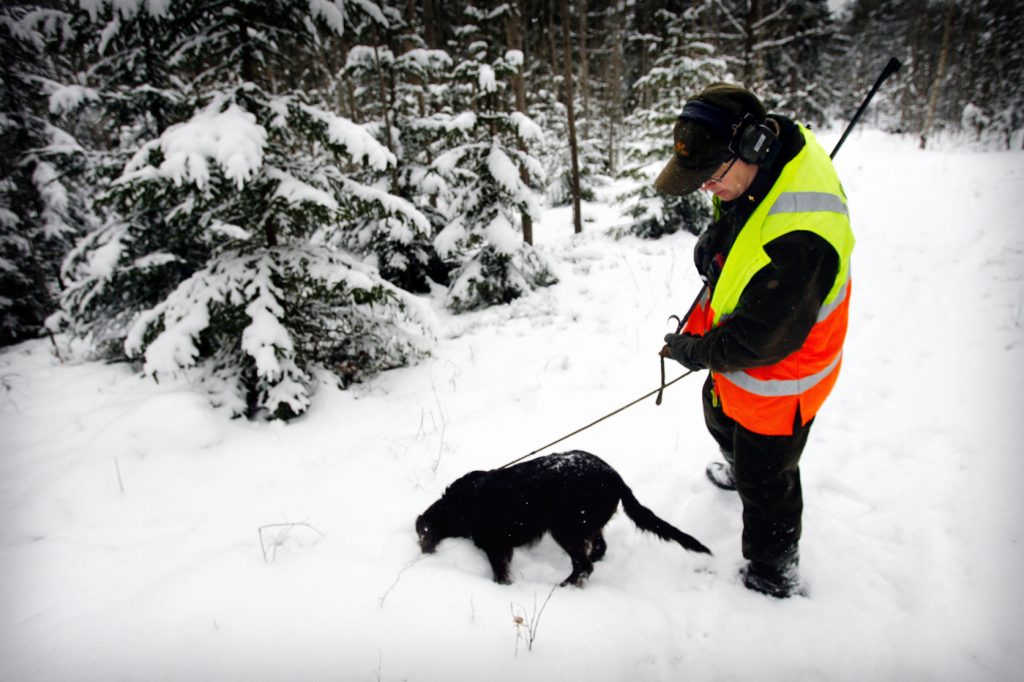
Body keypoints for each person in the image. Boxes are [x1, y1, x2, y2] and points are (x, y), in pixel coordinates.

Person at [654, 83, 854, 598]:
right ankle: (737, 463)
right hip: (750, 351)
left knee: (768, 482)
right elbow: (746, 213)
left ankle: (774, 570)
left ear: (752, 150)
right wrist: (718, 240)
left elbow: (758, 342)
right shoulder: (763, 160)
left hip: (784, 375)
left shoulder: (801, 241)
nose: (705, 188)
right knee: (718, 412)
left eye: (712, 176)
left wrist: (692, 351)